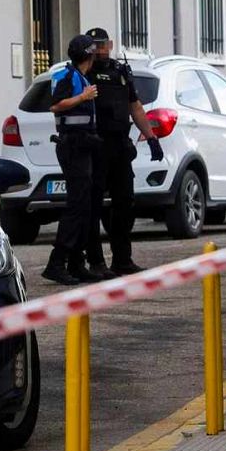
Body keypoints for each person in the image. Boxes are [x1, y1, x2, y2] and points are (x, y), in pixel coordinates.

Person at [83, 28, 166, 276]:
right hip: (96, 145)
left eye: (103, 45)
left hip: (120, 145)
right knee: (93, 205)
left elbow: (135, 106)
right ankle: (96, 262)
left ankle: (122, 259)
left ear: (110, 44)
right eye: (94, 46)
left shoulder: (120, 71)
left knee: (125, 203)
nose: (99, 50)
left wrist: (151, 137)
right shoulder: (84, 73)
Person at [42, 36, 105, 286]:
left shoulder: (81, 77)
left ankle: (76, 263)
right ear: (88, 56)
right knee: (77, 206)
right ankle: (56, 263)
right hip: (72, 146)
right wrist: (83, 97)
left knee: (85, 206)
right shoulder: (69, 77)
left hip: (83, 145)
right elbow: (56, 106)